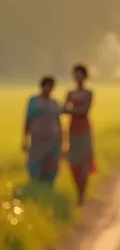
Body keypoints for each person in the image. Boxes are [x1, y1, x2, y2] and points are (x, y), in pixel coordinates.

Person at [63, 63, 95, 205]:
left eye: (80, 74)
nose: (77, 77)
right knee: (73, 161)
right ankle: (79, 190)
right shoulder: (70, 93)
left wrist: (69, 111)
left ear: (85, 76)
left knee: (84, 160)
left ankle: (82, 192)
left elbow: (84, 110)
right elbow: (66, 108)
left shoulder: (89, 93)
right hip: (72, 129)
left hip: (84, 129)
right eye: (75, 74)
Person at [22, 76, 62, 185]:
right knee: (35, 163)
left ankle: (48, 186)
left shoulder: (54, 103)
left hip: (52, 139)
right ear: (42, 86)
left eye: (51, 86)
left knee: (51, 164)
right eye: (47, 86)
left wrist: (63, 141)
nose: (48, 89)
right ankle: (35, 185)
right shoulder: (33, 101)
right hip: (37, 139)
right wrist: (24, 140)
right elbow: (27, 120)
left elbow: (59, 123)